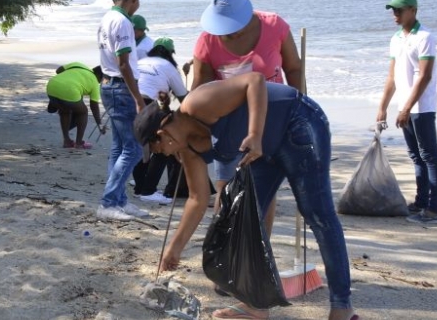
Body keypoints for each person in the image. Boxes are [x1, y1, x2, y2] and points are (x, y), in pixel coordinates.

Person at [139, 73, 358, 320]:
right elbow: (197, 200)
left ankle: (342, 306)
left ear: (163, 130)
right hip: (264, 152)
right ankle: (255, 305)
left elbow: (254, 80)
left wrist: (254, 133)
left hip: (298, 121)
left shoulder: (198, 103)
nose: (165, 155)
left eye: (158, 149)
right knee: (238, 220)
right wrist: (174, 249)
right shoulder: (187, 150)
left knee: (318, 214)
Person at [192, 0, 303, 226]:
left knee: (265, 188)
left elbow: (294, 69)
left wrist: (300, 112)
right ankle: (225, 247)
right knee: (226, 188)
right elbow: (199, 92)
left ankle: (260, 251)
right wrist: (194, 135)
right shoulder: (207, 41)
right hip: (227, 124)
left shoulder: (275, 26)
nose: (226, 34)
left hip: (272, 123)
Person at [377, 0, 437, 225]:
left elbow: (424, 77)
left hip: (422, 107)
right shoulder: (396, 39)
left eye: (399, 10)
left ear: (413, 11)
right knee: (416, 156)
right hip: (404, 106)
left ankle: (435, 210)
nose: (394, 14)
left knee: (429, 156)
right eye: (393, 10)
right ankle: (421, 202)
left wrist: (407, 108)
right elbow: (392, 77)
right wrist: (383, 107)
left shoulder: (425, 37)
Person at [95, 0, 150, 221]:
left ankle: (119, 200)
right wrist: (138, 98)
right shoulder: (123, 22)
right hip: (121, 88)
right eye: (137, 0)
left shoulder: (106, 18)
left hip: (109, 85)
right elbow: (124, 63)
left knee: (120, 147)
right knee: (135, 148)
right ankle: (108, 202)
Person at [133, 37, 190, 205]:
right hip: (149, 105)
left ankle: (139, 187)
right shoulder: (169, 67)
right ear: (170, 54)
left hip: (130, 100)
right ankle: (148, 191)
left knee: (139, 146)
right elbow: (183, 97)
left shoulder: (142, 61)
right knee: (162, 147)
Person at [44, 62, 105, 149]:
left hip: (52, 85)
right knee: (83, 112)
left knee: (65, 111)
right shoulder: (95, 83)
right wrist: (100, 125)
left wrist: (68, 79)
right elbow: (94, 107)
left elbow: (58, 70)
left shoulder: (79, 65)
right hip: (70, 90)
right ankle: (79, 143)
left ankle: (67, 141)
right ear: (100, 77)